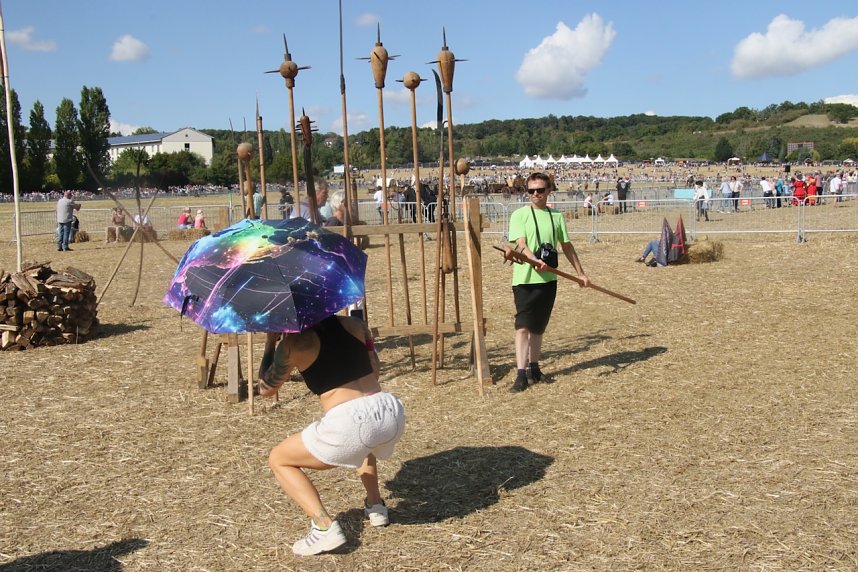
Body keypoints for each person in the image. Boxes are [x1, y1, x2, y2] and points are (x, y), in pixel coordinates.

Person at [258, 314, 406, 556]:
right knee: (364, 440)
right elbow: (375, 369)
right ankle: (376, 506)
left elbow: (266, 389)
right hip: (388, 411)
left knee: (279, 459)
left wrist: (270, 343)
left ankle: (324, 528)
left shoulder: (293, 344)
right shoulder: (356, 325)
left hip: (351, 422)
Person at [504, 172, 590, 393]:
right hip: (525, 280)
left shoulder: (557, 216)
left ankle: (534, 367)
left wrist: (581, 273)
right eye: (531, 190)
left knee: (538, 328)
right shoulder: (519, 215)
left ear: (549, 190)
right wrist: (535, 261)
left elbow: (567, 246)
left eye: (540, 190)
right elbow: (520, 244)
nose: (535, 194)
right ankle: (521, 374)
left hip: (549, 279)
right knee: (523, 326)